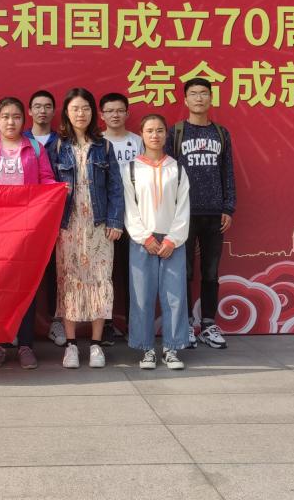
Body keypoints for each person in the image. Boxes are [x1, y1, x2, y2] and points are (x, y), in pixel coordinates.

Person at [0, 96, 56, 370]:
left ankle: (26, 345)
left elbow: (46, 179)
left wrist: (56, 189)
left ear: (23, 120)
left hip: (27, 229)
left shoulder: (34, 148)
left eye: (16, 117)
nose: (11, 122)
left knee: (26, 287)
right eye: (5, 117)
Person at [45, 87, 125, 369]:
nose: (81, 113)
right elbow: (46, 184)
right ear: (66, 113)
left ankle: (95, 344)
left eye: (86, 108)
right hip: (67, 226)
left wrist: (115, 221)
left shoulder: (104, 146)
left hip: (98, 225)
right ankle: (70, 345)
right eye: (75, 108)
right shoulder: (57, 146)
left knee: (100, 281)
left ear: (93, 113)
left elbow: (116, 187)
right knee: (68, 282)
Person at [169, 77, 236, 351]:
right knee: (183, 271)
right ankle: (185, 324)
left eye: (204, 93)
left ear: (211, 98)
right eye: (194, 94)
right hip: (183, 213)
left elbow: (227, 171)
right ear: (185, 100)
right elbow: (168, 173)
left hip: (214, 214)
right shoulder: (176, 132)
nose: (199, 98)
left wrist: (228, 207)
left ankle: (208, 324)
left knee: (210, 271)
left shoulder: (221, 133)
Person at [122, 114, 191, 370]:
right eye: (149, 130)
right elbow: (130, 209)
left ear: (166, 134)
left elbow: (183, 207)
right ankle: (146, 349)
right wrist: (145, 237)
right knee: (142, 296)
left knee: (175, 296)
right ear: (141, 134)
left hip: (173, 241)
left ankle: (172, 348)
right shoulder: (131, 169)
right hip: (143, 240)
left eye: (160, 130)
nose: (155, 135)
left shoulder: (177, 168)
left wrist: (173, 239)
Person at [100, 92, 142, 343]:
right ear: (102, 115)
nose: (115, 115)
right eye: (109, 111)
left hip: (136, 218)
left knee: (133, 274)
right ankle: (105, 325)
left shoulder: (138, 142)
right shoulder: (97, 143)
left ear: (127, 113)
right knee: (105, 274)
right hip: (106, 217)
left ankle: (134, 325)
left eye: (119, 110)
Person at [26, 89, 67, 348]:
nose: (42, 111)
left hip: (56, 215)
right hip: (24, 217)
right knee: (21, 270)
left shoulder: (62, 141)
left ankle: (56, 321)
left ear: (54, 111)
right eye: (37, 106)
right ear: (29, 111)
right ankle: (17, 324)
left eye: (47, 106)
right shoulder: (20, 140)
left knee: (55, 269)